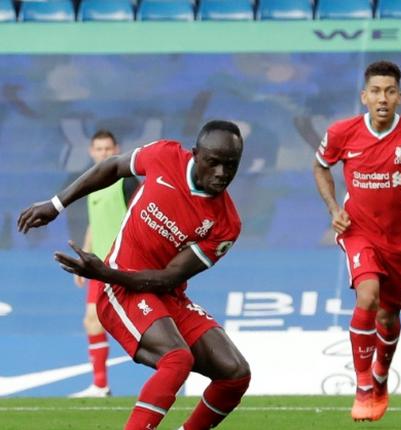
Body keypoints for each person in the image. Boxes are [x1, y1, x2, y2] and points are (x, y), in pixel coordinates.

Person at [18, 120, 250, 430]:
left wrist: (105, 273)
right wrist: (57, 203)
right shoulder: (165, 156)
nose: (221, 172)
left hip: (159, 290)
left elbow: (168, 278)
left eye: (230, 165)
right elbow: (113, 167)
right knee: (177, 359)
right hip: (120, 289)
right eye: (213, 162)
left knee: (235, 373)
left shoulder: (226, 225)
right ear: (195, 154)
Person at [313, 60, 401, 422]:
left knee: (389, 316)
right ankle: (361, 387)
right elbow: (320, 166)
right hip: (358, 230)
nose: (382, 98)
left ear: (399, 97)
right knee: (367, 295)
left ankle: (380, 378)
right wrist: (332, 208)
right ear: (364, 97)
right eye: (375, 91)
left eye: (389, 91)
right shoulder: (343, 133)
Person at [71, 130, 139, 398]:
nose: (103, 153)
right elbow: (94, 223)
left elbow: (140, 217)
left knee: (145, 327)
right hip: (99, 266)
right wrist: (83, 259)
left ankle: (178, 366)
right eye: (98, 149)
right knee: (92, 321)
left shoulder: (126, 182)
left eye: (108, 149)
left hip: (121, 265)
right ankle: (100, 385)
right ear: (91, 152)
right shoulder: (93, 184)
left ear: (117, 149)